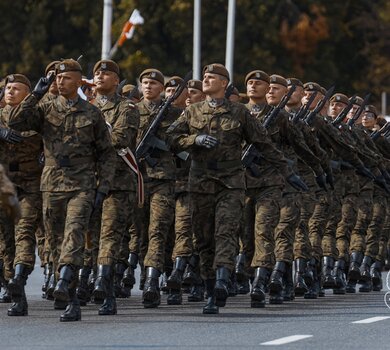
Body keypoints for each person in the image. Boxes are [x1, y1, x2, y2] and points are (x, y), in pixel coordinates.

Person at [167, 63, 291, 314]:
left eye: (212, 77)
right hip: (200, 182)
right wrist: (194, 139)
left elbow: (263, 144)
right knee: (203, 239)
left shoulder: (239, 112)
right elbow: (171, 137)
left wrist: (288, 172)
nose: (206, 80)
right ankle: (211, 286)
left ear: (224, 83)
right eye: (204, 77)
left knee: (226, 231)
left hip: (231, 182)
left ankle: (222, 281)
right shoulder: (192, 111)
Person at [8, 58, 116, 322]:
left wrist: (104, 187)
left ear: (79, 81)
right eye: (57, 77)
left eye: (66, 77)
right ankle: (69, 296)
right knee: (56, 244)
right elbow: (15, 121)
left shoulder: (92, 113)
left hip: (82, 184)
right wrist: (36, 92)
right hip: (52, 183)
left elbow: (107, 154)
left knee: (75, 235)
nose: (60, 81)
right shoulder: (45, 108)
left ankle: (67, 281)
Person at [90, 59, 140, 315]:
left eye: (106, 73)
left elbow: (120, 139)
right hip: (87, 182)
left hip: (118, 183)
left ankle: (106, 288)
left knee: (109, 238)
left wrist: (85, 140)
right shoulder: (85, 107)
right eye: (97, 73)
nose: (100, 76)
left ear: (117, 81)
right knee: (89, 238)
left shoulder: (127, 108)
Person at [0, 74, 44, 317]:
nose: (10, 92)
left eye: (16, 89)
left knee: (24, 231)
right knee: (5, 243)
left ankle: (19, 279)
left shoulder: (36, 115)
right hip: (4, 186)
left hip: (29, 186)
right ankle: (14, 291)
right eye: (8, 88)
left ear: (28, 94)